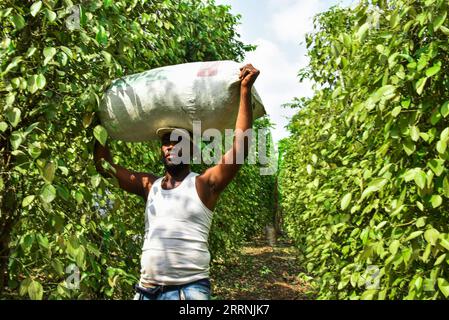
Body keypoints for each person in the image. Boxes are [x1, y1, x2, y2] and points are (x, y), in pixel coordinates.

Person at [93, 64, 260, 300]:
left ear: (191, 149)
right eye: (166, 142)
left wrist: (244, 91)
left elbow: (240, 149)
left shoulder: (204, 185)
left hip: (188, 291)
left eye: (177, 141)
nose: (171, 146)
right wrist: (101, 120)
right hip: (146, 290)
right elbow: (104, 168)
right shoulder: (149, 186)